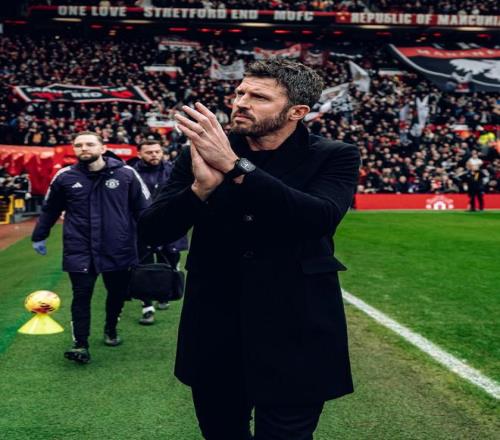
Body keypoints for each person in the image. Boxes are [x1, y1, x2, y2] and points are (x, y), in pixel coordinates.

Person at [139, 58, 360, 440]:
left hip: (296, 328)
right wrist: (200, 190)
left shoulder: (334, 154)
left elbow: (319, 218)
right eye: (240, 92)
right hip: (215, 327)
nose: (241, 102)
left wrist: (236, 168)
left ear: (297, 112)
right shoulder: (200, 153)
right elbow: (152, 229)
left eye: (259, 97)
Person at [31, 131, 151, 364]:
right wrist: (39, 236)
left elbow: (143, 209)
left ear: (103, 148)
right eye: (78, 145)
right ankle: (80, 344)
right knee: (81, 296)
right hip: (80, 249)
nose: (83, 148)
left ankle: (111, 328)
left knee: (116, 293)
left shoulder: (126, 174)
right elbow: (50, 209)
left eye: (89, 144)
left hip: (118, 247)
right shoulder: (65, 177)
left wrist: (154, 236)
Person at [132, 140, 189, 325]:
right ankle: (147, 308)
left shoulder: (174, 169)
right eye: (149, 152)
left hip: (171, 226)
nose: (154, 155)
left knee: (171, 263)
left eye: (157, 151)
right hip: (143, 228)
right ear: (140, 154)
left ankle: (165, 294)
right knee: (144, 267)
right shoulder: (132, 173)